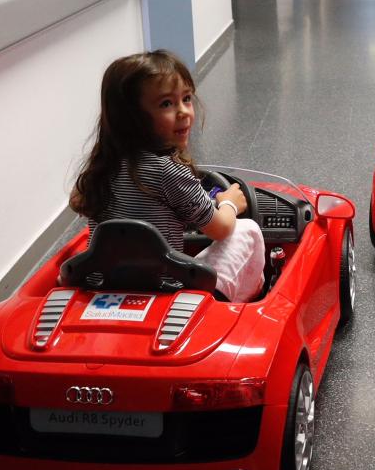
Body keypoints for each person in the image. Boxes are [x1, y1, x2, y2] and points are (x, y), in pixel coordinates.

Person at [70, 50, 265, 302]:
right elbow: (220, 229)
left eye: (186, 98)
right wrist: (228, 203)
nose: (183, 111)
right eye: (166, 104)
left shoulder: (101, 167)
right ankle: (251, 299)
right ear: (132, 119)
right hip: (167, 290)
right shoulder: (170, 172)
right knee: (246, 229)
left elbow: (84, 203)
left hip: (103, 285)